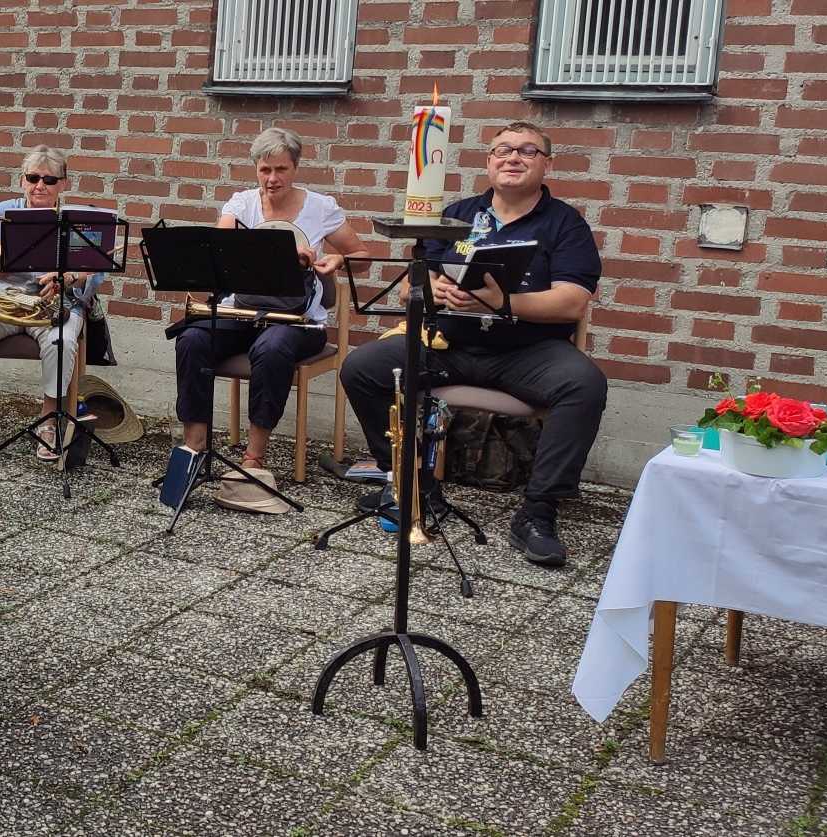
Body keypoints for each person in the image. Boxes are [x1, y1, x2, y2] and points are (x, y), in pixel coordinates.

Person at [339, 120, 605, 567]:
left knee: (585, 386)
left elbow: (572, 302)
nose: (512, 158)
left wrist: (507, 302)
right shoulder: (457, 215)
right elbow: (408, 290)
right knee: (361, 368)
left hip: (527, 351)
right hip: (450, 343)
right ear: (489, 161)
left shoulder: (565, 224)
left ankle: (538, 512)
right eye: (502, 150)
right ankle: (416, 487)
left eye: (526, 151)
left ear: (546, 164)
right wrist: (432, 291)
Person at [174, 127, 368, 470]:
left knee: (271, 349)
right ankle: (194, 448)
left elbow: (362, 256)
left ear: (295, 168)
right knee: (191, 339)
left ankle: (254, 457)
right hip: (243, 312)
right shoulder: (242, 203)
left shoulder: (320, 208)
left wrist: (337, 260)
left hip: (300, 320)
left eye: (281, 169)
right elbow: (219, 254)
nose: (272, 178)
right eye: (265, 170)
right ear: (256, 169)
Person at [0, 145, 102, 461]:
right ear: (22, 180)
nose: (40, 186)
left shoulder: (76, 220)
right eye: (32, 177)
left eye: (49, 180)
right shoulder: (3, 210)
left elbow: (93, 267)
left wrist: (69, 278)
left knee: (60, 340)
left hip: (54, 307)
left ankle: (48, 423)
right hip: (3, 304)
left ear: (64, 183)